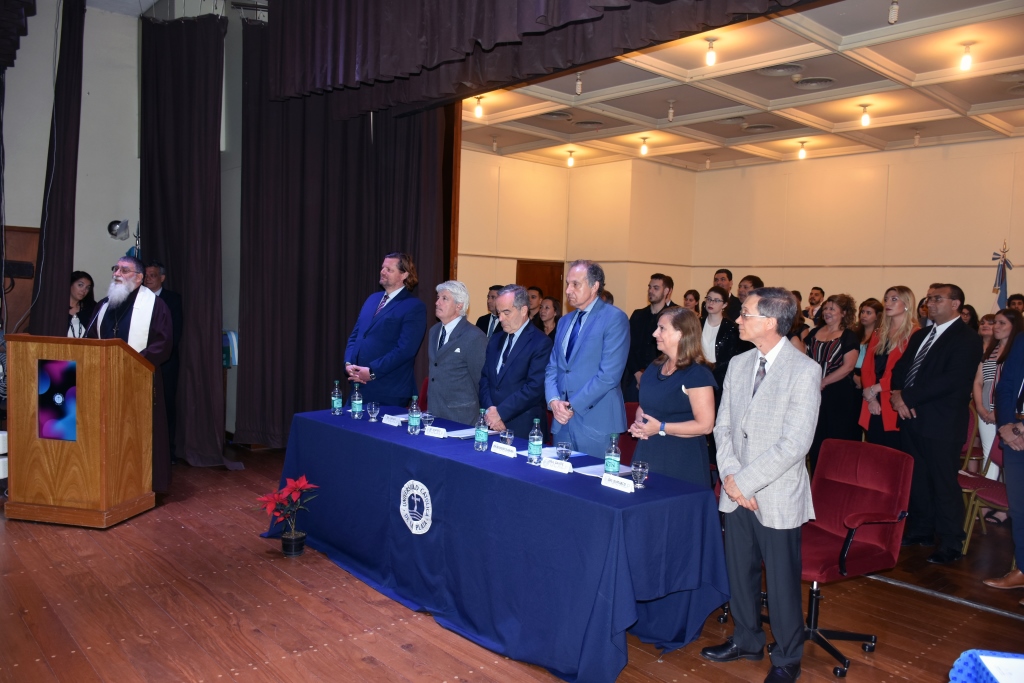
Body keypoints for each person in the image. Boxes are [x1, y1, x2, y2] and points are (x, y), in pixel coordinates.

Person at [700, 287, 821, 683]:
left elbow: (795, 443)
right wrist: (733, 479)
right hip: (738, 490)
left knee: (782, 582)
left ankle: (787, 658)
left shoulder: (804, 370)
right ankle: (746, 639)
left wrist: (744, 483)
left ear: (770, 322)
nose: (738, 319)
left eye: (745, 313)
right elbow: (724, 427)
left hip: (775, 493)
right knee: (740, 571)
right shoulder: (738, 363)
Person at [891, 283, 983, 564]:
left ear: (955, 304)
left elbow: (951, 380)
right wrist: (897, 396)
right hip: (911, 418)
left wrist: (906, 396)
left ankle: (952, 541)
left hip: (941, 423)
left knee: (943, 483)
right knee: (917, 479)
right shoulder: (921, 335)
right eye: (929, 298)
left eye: (937, 298)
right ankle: (922, 530)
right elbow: (900, 368)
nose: (929, 303)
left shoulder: (967, 338)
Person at [88, 256, 174, 493]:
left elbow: (163, 343)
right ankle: (104, 483)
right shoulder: (104, 305)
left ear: (138, 278)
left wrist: (131, 362)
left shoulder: (155, 306)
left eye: (124, 270)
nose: (117, 273)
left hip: (138, 379)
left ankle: (142, 484)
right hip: (104, 380)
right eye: (115, 268)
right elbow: (90, 339)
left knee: (138, 434)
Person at [545, 260, 629, 458]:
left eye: (575, 284)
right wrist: (554, 401)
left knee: (593, 485)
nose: (568, 290)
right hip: (562, 420)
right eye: (567, 283)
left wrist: (571, 406)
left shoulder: (614, 318)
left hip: (595, 422)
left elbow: (609, 375)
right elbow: (553, 367)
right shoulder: (565, 321)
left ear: (595, 286)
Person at [628, 307, 716, 487]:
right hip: (648, 453)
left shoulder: (697, 373)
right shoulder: (654, 367)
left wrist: (661, 427)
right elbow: (644, 406)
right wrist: (640, 426)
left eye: (662, 328)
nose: (655, 334)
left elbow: (705, 425)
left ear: (681, 334)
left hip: (681, 461)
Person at [345, 252, 427, 407]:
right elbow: (356, 335)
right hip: (358, 385)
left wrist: (372, 371)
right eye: (383, 267)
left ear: (404, 275)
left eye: (389, 270)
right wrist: (349, 363)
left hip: (388, 390)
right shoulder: (372, 299)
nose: (383, 271)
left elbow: (405, 350)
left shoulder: (414, 306)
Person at [479, 285, 554, 439]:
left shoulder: (541, 343)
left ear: (523, 310)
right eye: (499, 313)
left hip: (523, 428)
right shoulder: (495, 339)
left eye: (506, 312)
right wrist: (491, 411)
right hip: (492, 423)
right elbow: (485, 379)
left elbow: (534, 388)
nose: (501, 319)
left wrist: (501, 413)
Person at [804, 294, 862, 474]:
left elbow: (848, 367)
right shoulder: (814, 332)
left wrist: (823, 382)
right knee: (815, 438)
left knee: (837, 437)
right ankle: (816, 481)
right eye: (826, 308)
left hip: (839, 393)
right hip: (814, 392)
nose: (827, 312)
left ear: (844, 313)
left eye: (832, 309)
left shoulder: (849, 336)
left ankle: (835, 481)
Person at [988, 324, 1024, 601]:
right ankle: (1022, 570)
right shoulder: (1022, 339)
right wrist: (1006, 425)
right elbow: (1006, 386)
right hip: (1013, 434)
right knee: (1020, 509)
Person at [860, 286, 918, 452]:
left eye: (894, 299)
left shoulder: (914, 334)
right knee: (874, 451)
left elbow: (906, 372)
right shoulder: (879, 333)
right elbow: (867, 367)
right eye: (886, 299)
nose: (887, 303)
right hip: (872, 398)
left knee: (894, 453)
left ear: (907, 304)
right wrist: (870, 396)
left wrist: (877, 388)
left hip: (894, 400)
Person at [973, 308, 1023, 488]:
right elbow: (978, 381)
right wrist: (980, 406)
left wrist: (999, 412)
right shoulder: (990, 350)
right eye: (995, 322)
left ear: (1014, 326)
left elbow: (1009, 387)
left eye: (1002, 323)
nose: (996, 326)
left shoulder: (1015, 352)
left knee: (1004, 458)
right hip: (985, 410)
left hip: (1005, 413)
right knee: (989, 455)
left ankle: (999, 503)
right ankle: (987, 497)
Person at [427, 281, 487, 425]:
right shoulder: (434, 331)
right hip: (434, 411)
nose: (437, 302)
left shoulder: (474, 336)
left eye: (444, 298)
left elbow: (481, 380)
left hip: (461, 416)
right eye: (438, 297)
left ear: (459, 305)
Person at [145, 261, 184, 463]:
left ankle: (167, 452)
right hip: (140, 360)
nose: (148, 278)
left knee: (166, 404)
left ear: (162, 278)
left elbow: (174, 333)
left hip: (166, 362)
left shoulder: (173, 300)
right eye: (146, 275)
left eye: (153, 275)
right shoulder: (137, 298)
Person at [623, 273, 677, 402]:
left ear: (667, 291)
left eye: (656, 288)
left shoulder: (674, 316)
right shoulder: (638, 315)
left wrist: (650, 376)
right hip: (634, 377)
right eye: (650, 287)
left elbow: (674, 350)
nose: (651, 291)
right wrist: (637, 374)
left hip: (662, 377)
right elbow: (628, 347)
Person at [701, 286, 746, 403]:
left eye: (716, 300)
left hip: (721, 378)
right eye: (709, 299)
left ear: (725, 305)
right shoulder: (697, 324)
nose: (711, 303)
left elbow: (733, 357)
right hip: (697, 374)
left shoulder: (731, 328)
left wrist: (712, 368)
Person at [853, 298, 883, 389]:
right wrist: (854, 376)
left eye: (868, 313)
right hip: (852, 373)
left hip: (870, 375)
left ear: (877, 316)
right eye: (862, 312)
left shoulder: (880, 337)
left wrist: (863, 379)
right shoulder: (854, 334)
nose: (864, 315)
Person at [68, 271, 96, 339]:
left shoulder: (92, 308)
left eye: (87, 288)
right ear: (70, 284)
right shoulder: (56, 308)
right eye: (80, 285)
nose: (84, 290)